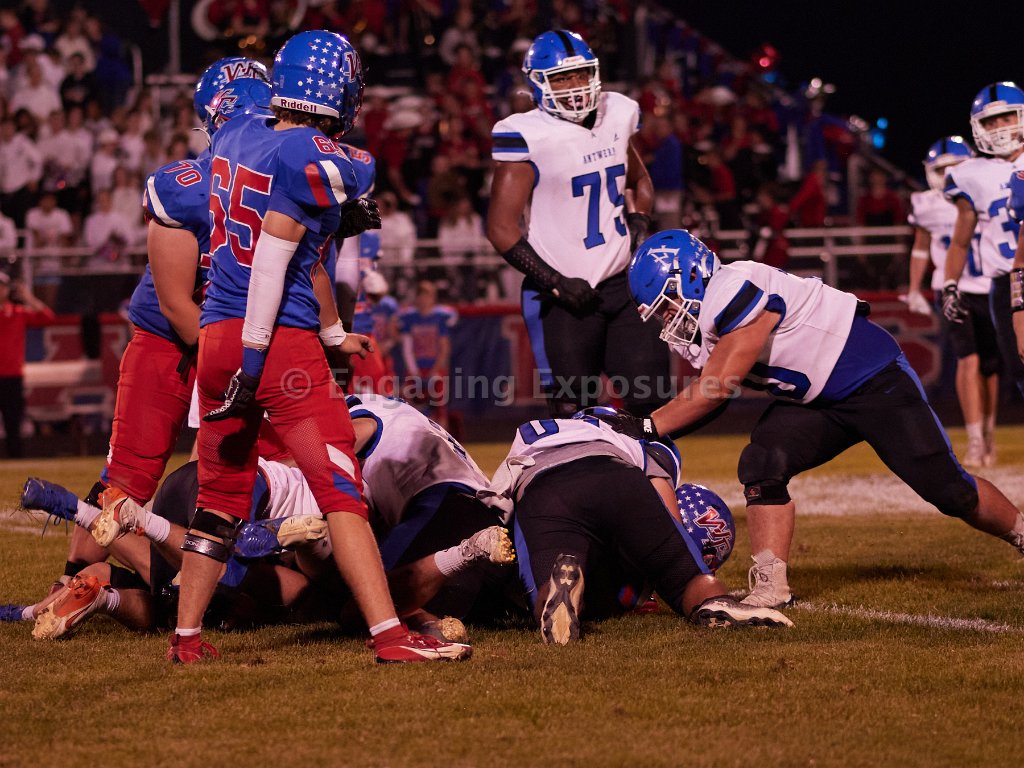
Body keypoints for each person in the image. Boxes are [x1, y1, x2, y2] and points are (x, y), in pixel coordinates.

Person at [185, 30, 469, 664]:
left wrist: (332, 329)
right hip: (275, 346)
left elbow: (300, 248)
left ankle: (186, 639)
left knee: (219, 496)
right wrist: (259, 357)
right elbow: (274, 256)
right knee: (340, 488)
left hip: (215, 336)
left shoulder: (236, 136)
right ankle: (389, 636)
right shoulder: (315, 157)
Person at [605, 228, 1024, 609]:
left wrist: (647, 426)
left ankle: (1021, 532)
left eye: (668, 304)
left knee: (951, 492)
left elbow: (717, 387)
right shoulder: (704, 323)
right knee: (762, 462)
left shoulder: (732, 287)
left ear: (692, 277)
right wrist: (650, 434)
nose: (668, 318)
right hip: (818, 401)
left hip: (873, 379)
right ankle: (771, 586)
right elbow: (714, 398)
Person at [478, 409, 791, 643]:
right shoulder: (636, 434)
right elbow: (664, 503)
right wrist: (676, 565)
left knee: (546, 582)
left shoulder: (541, 432)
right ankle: (715, 602)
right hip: (615, 475)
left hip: (542, 489)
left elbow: (505, 516)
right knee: (685, 578)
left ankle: (556, 590)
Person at [486, 30, 666, 418]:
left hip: (623, 283)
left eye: (580, 75)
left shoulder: (617, 112)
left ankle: (650, 461)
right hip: (561, 295)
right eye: (561, 78)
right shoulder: (527, 133)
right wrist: (554, 281)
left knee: (652, 402)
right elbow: (500, 227)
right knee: (573, 413)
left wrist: (638, 223)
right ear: (539, 83)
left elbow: (639, 181)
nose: (574, 86)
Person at [906, 137, 1000, 467]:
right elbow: (920, 249)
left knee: (991, 367)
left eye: (954, 167)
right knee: (967, 359)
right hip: (952, 288)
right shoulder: (925, 203)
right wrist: (914, 288)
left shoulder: (986, 192)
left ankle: (988, 433)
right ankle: (975, 439)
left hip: (990, 286)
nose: (947, 174)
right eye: (941, 169)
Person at [942, 83, 1024, 412]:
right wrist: (950, 284)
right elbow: (960, 240)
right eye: (990, 122)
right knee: (1019, 368)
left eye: (1006, 118)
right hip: (1006, 283)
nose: (999, 128)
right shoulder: (969, 175)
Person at [0, 273, 53, 457]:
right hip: (9, 375)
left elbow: (47, 317)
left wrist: (27, 297)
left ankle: (15, 458)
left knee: (13, 422)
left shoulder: (18, 313)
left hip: (12, 376)